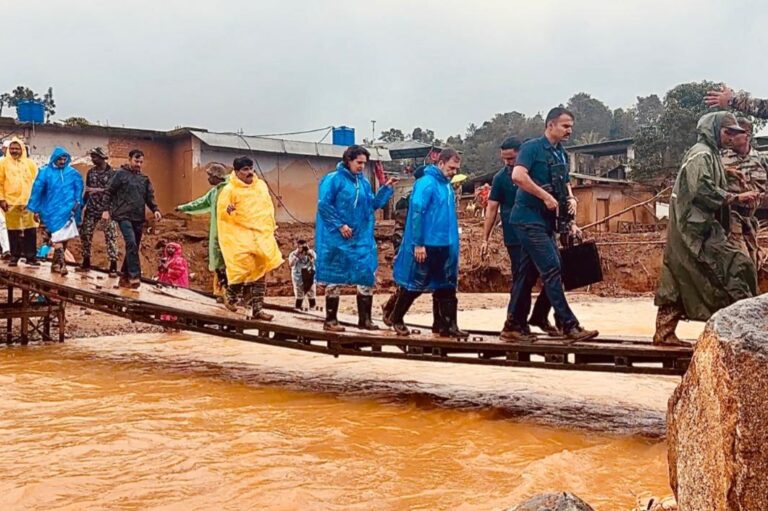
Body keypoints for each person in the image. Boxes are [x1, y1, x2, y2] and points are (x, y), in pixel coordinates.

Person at [654, 112, 759, 346]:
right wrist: (736, 196)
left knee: (681, 276)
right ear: (713, 130)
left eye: (734, 133)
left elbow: (705, 178)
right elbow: (701, 189)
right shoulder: (702, 154)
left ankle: (664, 333)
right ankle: (742, 330)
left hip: (693, 227)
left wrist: (728, 173)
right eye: (727, 132)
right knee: (737, 265)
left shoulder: (709, 154)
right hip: (694, 229)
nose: (731, 138)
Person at [505, 107, 598, 343]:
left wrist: (571, 207)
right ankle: (568, 324)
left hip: (547, 222)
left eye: (571, 127)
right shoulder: (532, 148)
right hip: (527, 219)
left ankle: (514, 325)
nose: (569, 131)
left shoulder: (561, 154)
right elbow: (518, 176)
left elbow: (564, 184)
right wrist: (544, 196)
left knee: (526, 274)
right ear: (550, 125)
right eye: (565, 126)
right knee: (553, 267)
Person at [480, 137, 557, 336]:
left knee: (555, 272)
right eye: (505, 159)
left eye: (512, 158)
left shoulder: (534, 174)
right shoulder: (500, 179)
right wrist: (484, 239)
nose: (508, 163)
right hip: (515, 238)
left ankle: (539, 315)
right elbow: (492, 208)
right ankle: (517, 323)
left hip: (540, 231)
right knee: (523, 280)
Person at [386, 149, 467, 338]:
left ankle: (448, 325)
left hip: (444, 243)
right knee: (415, 284)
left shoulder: (446, 185)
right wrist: (418, 243)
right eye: (451, 168)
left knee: (446, 284)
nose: (453, 172)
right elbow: (416, 213)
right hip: (427, 244)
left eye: (456, 169)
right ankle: (396, 317)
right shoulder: (426, 183)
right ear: (440, 163)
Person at [315, 145, 396, 332]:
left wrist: (386, 189)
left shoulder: (364, 183)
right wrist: (340, 225)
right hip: (337, 239)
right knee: (334, 276)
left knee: (366, 274)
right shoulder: (333, 180)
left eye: (364, 163)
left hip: (360, 238)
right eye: (359, 162)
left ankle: (365, 320)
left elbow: (372, 205)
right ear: (348, 161)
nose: (361, 166)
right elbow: (324, 205)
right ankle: (331, 320)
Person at [217, 156, 283, 320]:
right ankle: (231, 295)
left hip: (260, 234)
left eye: (251, 168)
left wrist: (270, 228)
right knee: (244, 268)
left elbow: (267, 208)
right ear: (237, 172)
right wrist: (229, 211)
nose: (249, 173)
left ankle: (258, 310)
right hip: (240, 235)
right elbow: (223, 213)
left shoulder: (260, 186)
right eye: (245, 170)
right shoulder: (229, 190)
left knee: (261, 269)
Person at [103, 148, 162, 289]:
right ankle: (135, 275)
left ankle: (124, 275)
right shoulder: (120, 175)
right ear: (129, 159)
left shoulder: (144, 179)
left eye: (141, 162)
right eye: (136, 161)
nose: (139, 164)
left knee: (134, 245)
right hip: (122, 215)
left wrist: (155, 210)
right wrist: (105, 210)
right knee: (131, 243)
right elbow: (108, 192)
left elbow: (149, 197)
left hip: (138, 217)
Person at [26, 147, 84, 276]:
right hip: (51, 211)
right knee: (57, 237)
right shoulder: (45, 172)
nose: (62, 161)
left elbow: (78, 188)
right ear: (54, 158)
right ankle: (62, 265)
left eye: (64, 159)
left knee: (64, 239)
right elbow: (37, 191)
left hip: (68, 211)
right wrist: (35, 209)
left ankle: (56, 264)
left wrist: (77, 202)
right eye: (60, 159)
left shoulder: (72, 173)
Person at [175, 163, 230, 296]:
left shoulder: (229, 190)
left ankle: (231, 294)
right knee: (219, 264)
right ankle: (220, 292)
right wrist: (184, 207)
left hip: (230, 233)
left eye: (210, 176)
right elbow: (201, 202)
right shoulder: (214, 191)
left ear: (217, 176)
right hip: (217, 233)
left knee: (230, 263)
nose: (208, 179)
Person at [719, 117, 767, 269]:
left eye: (735, 133)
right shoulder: (721, 159)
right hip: (731, 215)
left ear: (747, 134)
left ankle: (751, 291)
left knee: (753, 259)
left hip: (752, 218)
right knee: (741, 258)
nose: (730, 137)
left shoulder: (761, 159)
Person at [78, 147, 119, 275]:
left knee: (111, 237)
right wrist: (82, 205)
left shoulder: (112, 173)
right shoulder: (90, 172)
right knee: (85, 234)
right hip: (91, 209)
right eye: (92, 157)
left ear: (102, 158)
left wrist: (99, 192)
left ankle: (113, 266)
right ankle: (86, 262)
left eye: (95, 157)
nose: (92, 159)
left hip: (107, 210)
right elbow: (88, 190)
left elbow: (114, 193)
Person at [0, 137, 39, 266]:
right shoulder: (3, 163)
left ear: (22, 149)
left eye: (17, 148)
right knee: (13, 231)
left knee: (31, 230)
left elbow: (37, 183)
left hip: (29, 202)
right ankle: (14, 257)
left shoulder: (30, 164)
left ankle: (31, 257)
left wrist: (36, 200)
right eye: (12, 148)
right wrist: (2, 199)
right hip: (11, 202)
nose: (14, 151)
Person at [288, 239, 317, 310]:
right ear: (297, 246)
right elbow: (291, 264)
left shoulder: (310, 252)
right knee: (299, 291)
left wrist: (309, 253)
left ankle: (312, 306)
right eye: (300, 247)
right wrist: (297, 256)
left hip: (309, 274)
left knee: (311, 290)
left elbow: (316, 259)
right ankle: (298, 307)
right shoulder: (293, 254)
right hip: (298, 275)